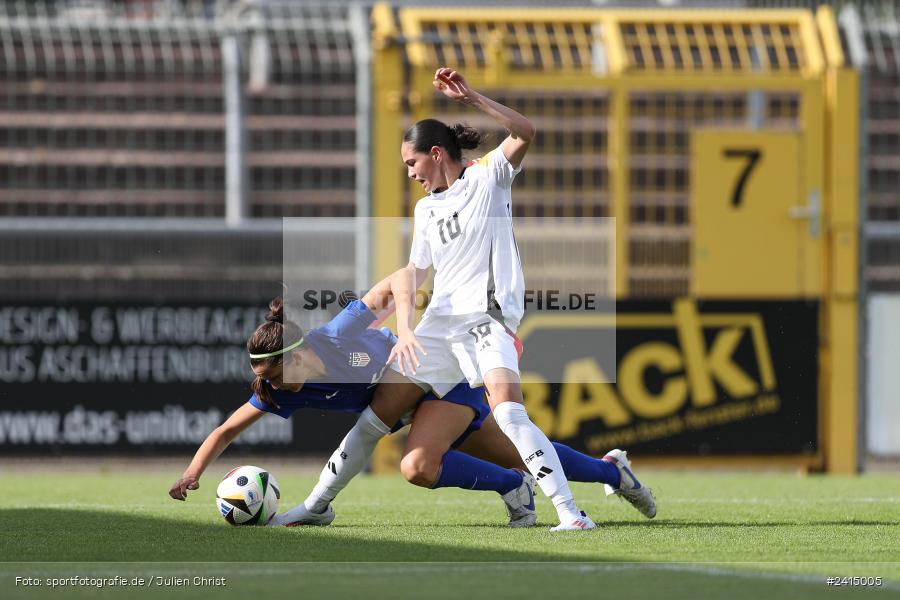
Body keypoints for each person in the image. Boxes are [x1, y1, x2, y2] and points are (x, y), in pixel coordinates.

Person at [279, 67, 656, 531]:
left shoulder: (488, 178)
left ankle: (571, 514)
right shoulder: (425, 208)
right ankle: (316, 506)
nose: (410, 174)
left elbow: (526, 130)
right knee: (376, 417)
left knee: (511, 414)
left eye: (411, 164)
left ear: (436, 153)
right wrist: (407, 330)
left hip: (487, 320)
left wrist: (473, 98)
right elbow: (412, 273)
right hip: (440, 325)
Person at [169, 285, 538, 528]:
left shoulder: (335, 335)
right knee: (527, 458)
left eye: (275, 375)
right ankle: (586, 473)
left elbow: (398, 281)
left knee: (420, 463)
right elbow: (226, 430)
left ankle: (316, 508)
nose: (270, 385)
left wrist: (407, 329)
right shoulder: (280, 391)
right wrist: (192, 473)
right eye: (266, 379)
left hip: (437, 380)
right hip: (407, 408)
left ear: (297, 356)